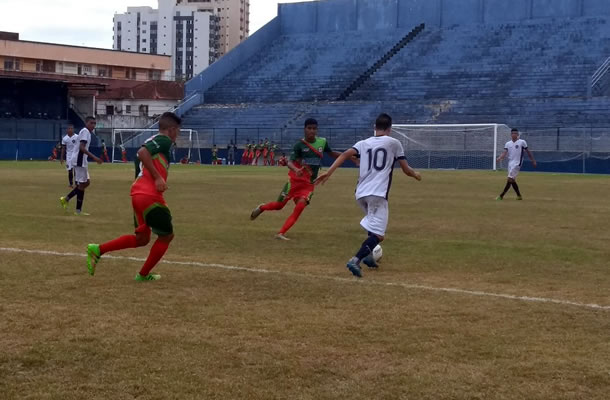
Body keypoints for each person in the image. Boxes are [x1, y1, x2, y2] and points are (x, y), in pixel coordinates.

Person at [315, 113, 421, 278]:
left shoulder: (363, 143)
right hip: (377, 194)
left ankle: (369, 257)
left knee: (373, 225)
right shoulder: (394, 143)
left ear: (374, 128)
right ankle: (356, 259)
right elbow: (406, 170)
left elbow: (344, 155)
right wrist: (415, 174)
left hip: (360, 194)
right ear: (390, 129)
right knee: (379, 235)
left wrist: (329, 172)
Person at [86, 112, 182, 281]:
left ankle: (98, 250)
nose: (178, 135)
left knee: (142, 239)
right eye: (178, 131)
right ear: (171, 129)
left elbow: (140, 160)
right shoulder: (164, 140)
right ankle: (143, 275)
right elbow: (142, 152)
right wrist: (158, 178)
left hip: (138, 194)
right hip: (149, 195)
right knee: (167, 235)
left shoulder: (152, 142)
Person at [250, 118, 349, 240]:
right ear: (304, 129)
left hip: (309, 183)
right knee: (279, 205)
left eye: (314, 128)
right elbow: (290, 162)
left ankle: (281, 233)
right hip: (294, 182)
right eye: (309, 128)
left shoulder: (322, 142)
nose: (312, 131)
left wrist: (349, 156)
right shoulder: (299, 145)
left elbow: (331, 153)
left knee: (300, 206)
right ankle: (262, 208)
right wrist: (296, 170)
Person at [59, 117, 102, 215]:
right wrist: (94, 157)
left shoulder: (86, 132)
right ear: (86, 123)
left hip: (81, 160)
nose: (93, 125)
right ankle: (78, 211)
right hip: (79, 160)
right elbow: (82, 147)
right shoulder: (85, 132)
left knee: (85, 183)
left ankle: (66, 199)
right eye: (91, 123)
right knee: (83, 184)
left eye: (95, 124)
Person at [496, 128, 537, 200]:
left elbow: (528, 151)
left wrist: (533, 160)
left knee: (509, 179)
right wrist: (499, 158)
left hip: (517, 163)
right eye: (512, 133)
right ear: (510, 134)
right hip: (510, 163)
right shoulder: (508, 143)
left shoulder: (522, 142)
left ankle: (501, 195)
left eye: (515, 133)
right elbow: (504, 152)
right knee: (512, 180)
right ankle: (519, 196)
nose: (514, 135)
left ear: (518, 134)